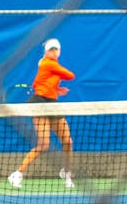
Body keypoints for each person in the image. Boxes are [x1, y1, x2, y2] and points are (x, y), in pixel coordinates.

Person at [8, 38, 76, 189]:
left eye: (55, 49)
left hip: (51, 102)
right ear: (46, 52)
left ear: (59, 51)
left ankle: (66, 171)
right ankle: (17, 173)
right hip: (39, 103)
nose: (52, 52)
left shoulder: (51, 66)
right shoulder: (47, 63)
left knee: (68, 142)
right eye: (50, 49)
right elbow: (70, 75)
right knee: (44, 145)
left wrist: (57, 90)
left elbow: (38, 83)